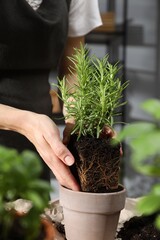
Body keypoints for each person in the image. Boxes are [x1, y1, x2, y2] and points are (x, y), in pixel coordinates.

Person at [0, 0, 102, 191]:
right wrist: (24, 122)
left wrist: (78, 114)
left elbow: (73, 66)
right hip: (26, 124)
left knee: (31, 214)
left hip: (38, 141)